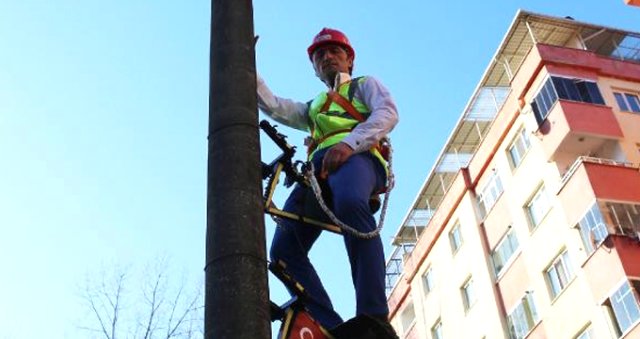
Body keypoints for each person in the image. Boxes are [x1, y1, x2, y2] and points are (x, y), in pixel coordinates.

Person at [257, 28, 399, 333]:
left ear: (349, 58)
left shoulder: (364, 86)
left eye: (335, 51)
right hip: (316, 173)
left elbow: (387, 113)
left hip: (357, 159)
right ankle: (329, 325)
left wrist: (349, 144)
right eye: (319, 55)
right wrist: (246, 64)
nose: (327, 57)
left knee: (350, 203)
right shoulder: (315, 106)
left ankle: (373, 314)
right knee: (283, 249)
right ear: (314, 67)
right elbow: (274, 106)